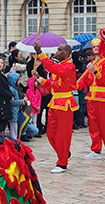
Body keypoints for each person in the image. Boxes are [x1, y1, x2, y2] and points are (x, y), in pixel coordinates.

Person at [34, 42, 79, 171]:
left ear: (67, 53)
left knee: (62, 135)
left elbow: (54, 69)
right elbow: (50, 84)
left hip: (65, 103)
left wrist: (40, 53)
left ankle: (62, 162)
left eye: (60, 50)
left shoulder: (69, 67)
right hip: (55, 102)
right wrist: (39, 79)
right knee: (50, 133)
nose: (57, 52)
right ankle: (64, 152)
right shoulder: (59, 66)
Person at [76, 33, 105, 160]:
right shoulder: (91, 63)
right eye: (93, 46)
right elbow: (85, 81)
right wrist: (73, 84)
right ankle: (96, 149)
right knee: (93, 124)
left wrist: (95, 71)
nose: (94, 48)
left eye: (97, 46)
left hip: (102, 96)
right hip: (91, 97)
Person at [6, 71, 25, 140]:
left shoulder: (14, 89)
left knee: (15, 126)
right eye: (18, 80)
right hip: (13, 111)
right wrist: (21, 102)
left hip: (15, 111)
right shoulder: (12, 90)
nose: (19, 82)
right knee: (13, 126)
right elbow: (12, 102)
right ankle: (13, 139)